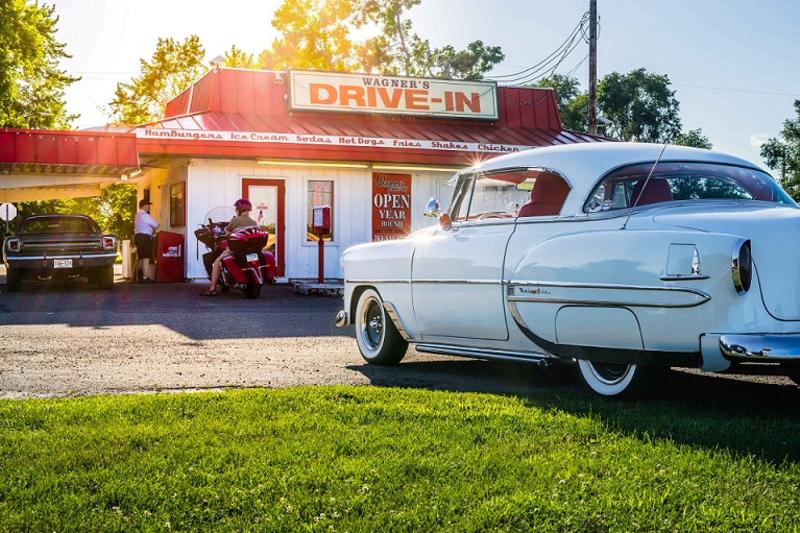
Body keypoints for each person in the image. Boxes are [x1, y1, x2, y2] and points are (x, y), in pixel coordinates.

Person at [201, 198, 258, 296]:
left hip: (236, 249)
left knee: (217, 261)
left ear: (239, 209)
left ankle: (213, 288)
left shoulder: (236, 220)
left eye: (236, 208)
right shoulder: (254, 222)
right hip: (249, 250)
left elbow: (226, 233)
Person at [134, 199, 158, 283]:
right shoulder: (145, 215)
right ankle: (145, 277)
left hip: (138, 236)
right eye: (148, 205)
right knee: (146, 257)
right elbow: (155, 224)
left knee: (141, 256)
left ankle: (139, 276)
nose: (148, 207)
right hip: (145, 237)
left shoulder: (137, 215)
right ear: (144, 206)